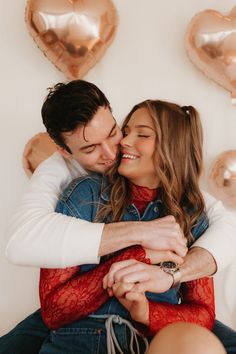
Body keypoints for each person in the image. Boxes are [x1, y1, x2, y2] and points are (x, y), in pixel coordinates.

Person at [1, 80, 236, 353]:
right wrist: (141, 250)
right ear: (66, 151)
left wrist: (148, 307)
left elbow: (227, 226)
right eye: (90, 149)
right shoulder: (74, 185)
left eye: (116, 131)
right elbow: (20, 244)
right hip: (83, 328)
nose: (117, 147)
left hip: (156, 333)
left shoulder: (192, 209)